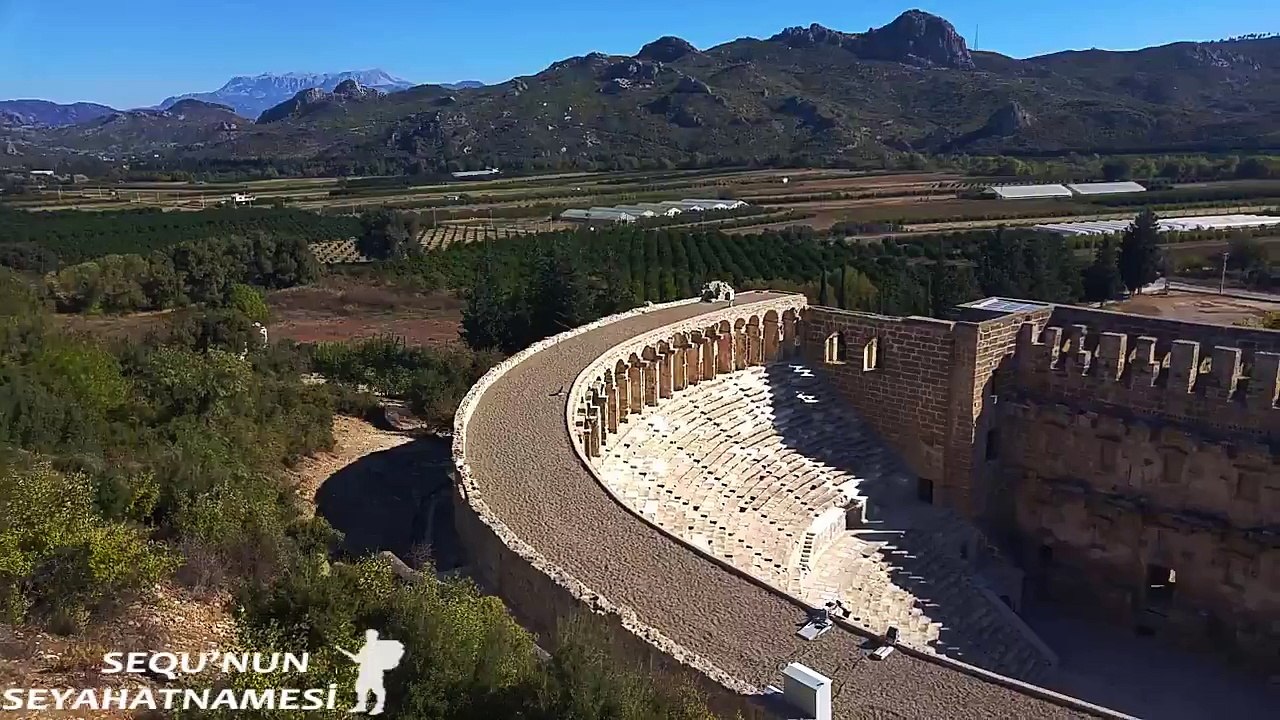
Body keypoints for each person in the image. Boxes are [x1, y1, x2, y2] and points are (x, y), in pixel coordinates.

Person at [336, 629, 404, 716]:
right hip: (365, 673)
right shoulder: (365, 648)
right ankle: (361, 705)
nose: (368, 638)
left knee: (377, 690)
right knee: (361, 688)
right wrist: (345, 652)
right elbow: (358, 659)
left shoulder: (378, 648)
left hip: (374, 673)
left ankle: (379, 706)